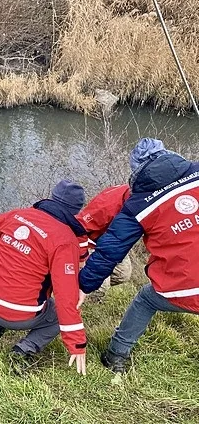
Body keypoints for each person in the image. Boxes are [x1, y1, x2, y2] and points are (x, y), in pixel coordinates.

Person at [80, 138, 199, 373]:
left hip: (186, 289)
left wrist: (82, 286)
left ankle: (116, 355)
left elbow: (110, 250)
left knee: (146, 299)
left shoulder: (137, 204)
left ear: (136, 169)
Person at [0, 180, 88, 375]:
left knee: (8, 284)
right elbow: (65, 296)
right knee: (57, 313)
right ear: (75, 211)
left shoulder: (18, 215)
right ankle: (22, 351)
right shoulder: (65, 240)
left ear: (51, 198)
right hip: (19, 314)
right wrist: (76, 343)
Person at [76, 184, 133, 299]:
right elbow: (79, 228)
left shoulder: (146, 200)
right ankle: (80, 305)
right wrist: (81, 258)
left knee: (123, 274)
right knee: (99, 286)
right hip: (91, 242)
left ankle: (82, 289)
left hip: (114, 241)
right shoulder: (107, 205)